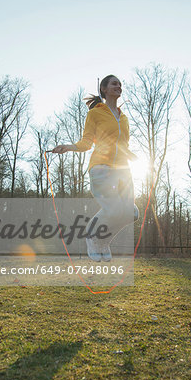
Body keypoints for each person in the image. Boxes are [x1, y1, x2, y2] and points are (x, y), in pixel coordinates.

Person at [52, 74, 139, 262]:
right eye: (114, 83)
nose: (119, 86)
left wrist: (135, 157)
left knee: (132, 212)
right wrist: (68, 147)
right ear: (104, 89)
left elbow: (123, 145)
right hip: (101, 168)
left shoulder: (124, 119)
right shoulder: (95, 113)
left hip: (123, 171)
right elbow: (86, 142)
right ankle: (92, 236)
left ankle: (102, 241)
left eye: (120, 84)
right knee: (114, 209)